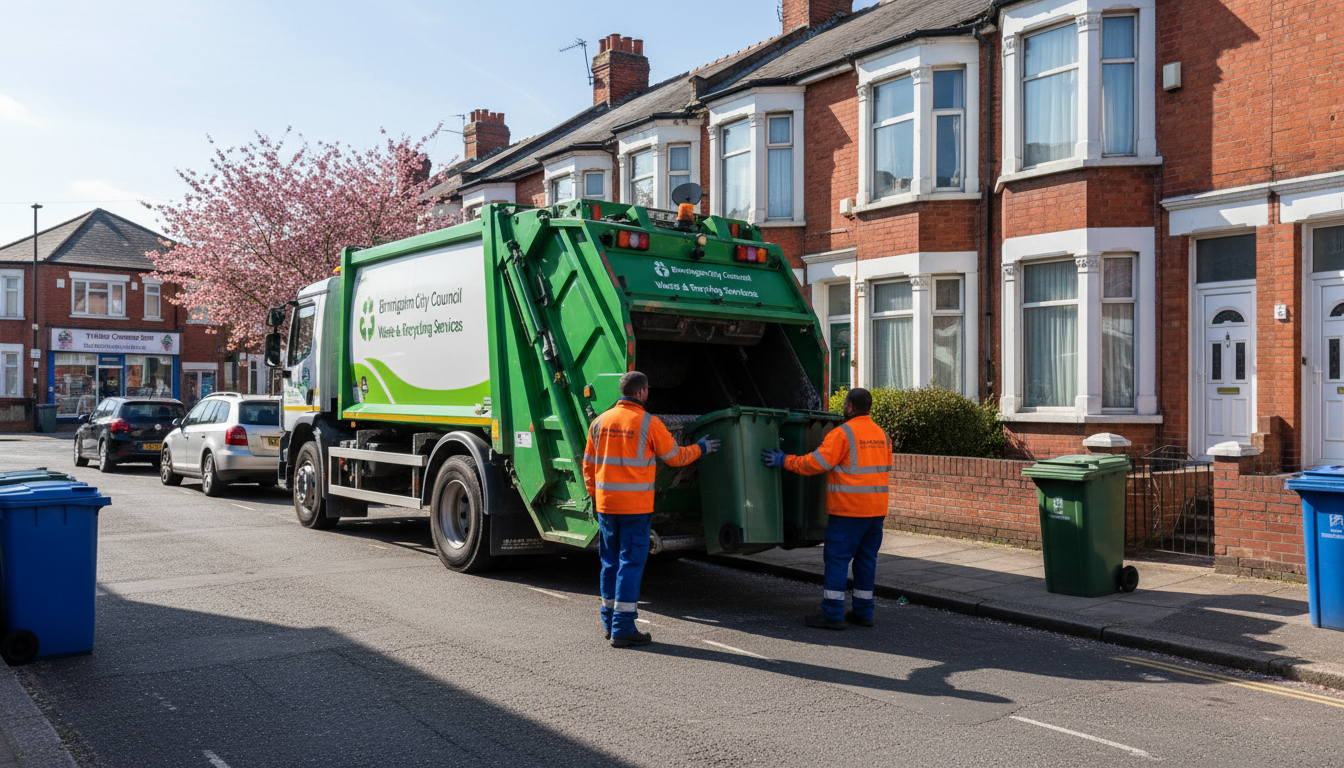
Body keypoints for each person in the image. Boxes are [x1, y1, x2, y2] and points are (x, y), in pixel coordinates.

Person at [583, 371, 719, 648]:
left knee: (610, 563)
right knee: (630, 564)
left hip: (607, 506)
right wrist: (701, 448)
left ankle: (610, 623)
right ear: (642, 392)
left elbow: (588, 465)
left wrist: (595, 498)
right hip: (635, 509)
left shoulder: (599, 422)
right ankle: (622, 629)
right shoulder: (649, 422)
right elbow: (675, 457)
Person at [761, 388, 892, 630]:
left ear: (849, 406)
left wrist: (784, 460)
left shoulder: (842, 433)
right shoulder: (882, 435)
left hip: (848, 511)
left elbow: (815, 463)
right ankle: (864, 612)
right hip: (876, 512)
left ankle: (832, 614)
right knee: (866, 561)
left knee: (837, 561)